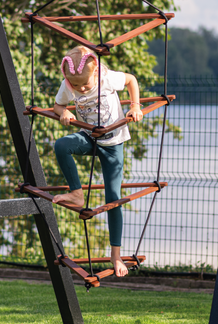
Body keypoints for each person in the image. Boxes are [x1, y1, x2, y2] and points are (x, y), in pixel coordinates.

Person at [52, 45, 143, 277]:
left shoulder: (106, 78)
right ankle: (76, 192)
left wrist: (134, 106)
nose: (81, 89)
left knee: (113, 198)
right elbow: (58, 104)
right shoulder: (69, 84)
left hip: (113, 143)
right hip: (89, 138)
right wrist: (63, 112)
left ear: (95, 74)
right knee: (61, 145)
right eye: (76, 85)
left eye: (85, 84)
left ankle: (116, 255)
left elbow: (131, 80)